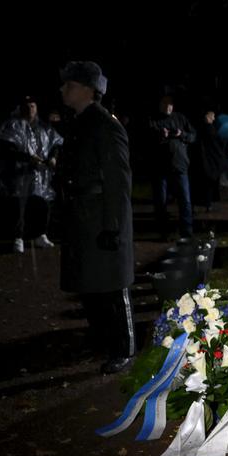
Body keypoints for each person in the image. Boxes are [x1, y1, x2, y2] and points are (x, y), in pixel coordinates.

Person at [58, 61, 136, 375]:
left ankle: (124, 348)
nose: (63, 90)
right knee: (90, 285)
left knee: (113, 286)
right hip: (83, 216)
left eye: (70, 85)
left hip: (101, 216)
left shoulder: (105, 125)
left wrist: (113, 225)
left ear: (89, 90)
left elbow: (118, 179)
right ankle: (103, 340)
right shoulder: (79, 122)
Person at [0, 95, 63, 252]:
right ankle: (18, 237)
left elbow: (56, 144)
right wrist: (27, 158)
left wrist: (53, 158)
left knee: (43, 203)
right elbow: (6, 148)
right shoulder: (12, 126)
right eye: (26, 106)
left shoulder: (44, 127)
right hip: (19, 174)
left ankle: (40, 235)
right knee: (20, 207)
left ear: (36, 108)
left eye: (32, 105)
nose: (29, 108)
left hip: (41, 174)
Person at [148, 95, 196, 239]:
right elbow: (146, 140)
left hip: (180, 165)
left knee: (185, 200)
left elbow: (193, 136)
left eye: (170, 104)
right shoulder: (153, 120)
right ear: (160, 105)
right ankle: (164, 232)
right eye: (165, 104)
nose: (168, 107)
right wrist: (160, 135)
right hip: (160, 167)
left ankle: (186, 232)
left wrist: (182, 134)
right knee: (160, 202)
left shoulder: (180, 118)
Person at [189, 108, 227, 211]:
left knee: (197, 185)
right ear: (209, 117)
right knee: (208, 185)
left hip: (199, 161)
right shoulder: (211, 129)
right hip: (209, 162)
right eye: (213, 116)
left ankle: (195, 205)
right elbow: (218, 144)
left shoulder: (198, 128)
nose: (214, 119)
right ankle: (207, 204)